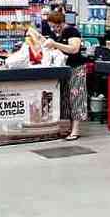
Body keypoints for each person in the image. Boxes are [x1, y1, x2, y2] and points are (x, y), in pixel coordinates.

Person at [43, 10, 87, 140]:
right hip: (65, 69)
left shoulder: (72, 31)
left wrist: (55, 44)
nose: (52, 28)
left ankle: (76, 130)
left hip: (76, 68)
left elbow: (74, 49)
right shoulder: (58, 33)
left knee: (76, 98)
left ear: (59, 23)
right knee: (66, 99)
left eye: (53, 25)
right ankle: (69, 127)